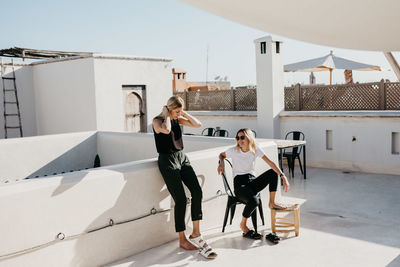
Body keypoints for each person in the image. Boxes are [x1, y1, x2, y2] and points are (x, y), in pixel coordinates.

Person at [153, 96, 217, 259]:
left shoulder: (177, 119)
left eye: (180, 111)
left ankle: (196, 233)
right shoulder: (157, 121)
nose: (179, 114)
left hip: (182, 158)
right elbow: (166, 130)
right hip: (167, 161)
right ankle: (182, 239)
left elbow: (198, 124)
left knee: (197, 191)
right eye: (177, 111)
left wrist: (183, 113)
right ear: (169, 109)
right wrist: (167, 114)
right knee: (180, 199)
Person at [217, 128, 290, 240]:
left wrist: (283, 176)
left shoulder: (255, 149)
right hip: (240, 186)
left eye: (242, 137)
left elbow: (271, 163)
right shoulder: (233, 150)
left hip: (252, 182)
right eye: (237, 138)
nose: (239, 140)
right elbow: (221, 155)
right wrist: (221, 163)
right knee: (254, 201)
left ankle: (272, 203)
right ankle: (243, 224)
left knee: (273, 173)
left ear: (249, 138)